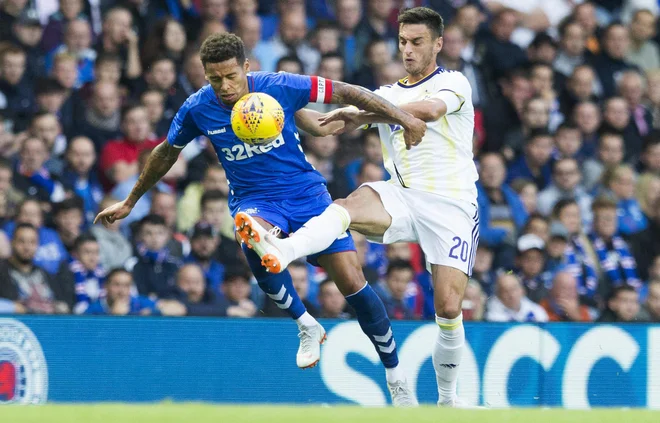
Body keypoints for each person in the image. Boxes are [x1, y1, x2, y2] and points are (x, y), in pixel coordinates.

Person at [95, 32, 425, 406]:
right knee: (248, 232)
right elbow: (165, 152)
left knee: (353, 282)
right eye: (214, 78)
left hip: (308, 197)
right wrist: (130, 200)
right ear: (204, 75)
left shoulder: (279, 86)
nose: (224, 86)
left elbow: (346, 91)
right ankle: (305, 325)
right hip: (256, 201)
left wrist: (403, 118)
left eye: (231, 76)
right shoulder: (196, 108)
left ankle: (396, 376)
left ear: (246, 67)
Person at [237, 7, 476, 407]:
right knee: (345, 206)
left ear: (438, 43)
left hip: (452, 205)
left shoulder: (454, 82)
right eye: (402, 42)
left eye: (417, 42)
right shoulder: (386, 94)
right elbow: (327, 124)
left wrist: (369, 112)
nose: (408, 50)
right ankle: (283, 249)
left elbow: (432, 111)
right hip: (403, 195)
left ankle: (447, 402)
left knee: (449, 310)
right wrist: (277, 107)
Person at [484, 273, 549, 323]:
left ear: (522, 290)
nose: (511, 294)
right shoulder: (492, 317)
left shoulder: (537, 311)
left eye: (514, 289)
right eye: (505, 291)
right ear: (499, 295)